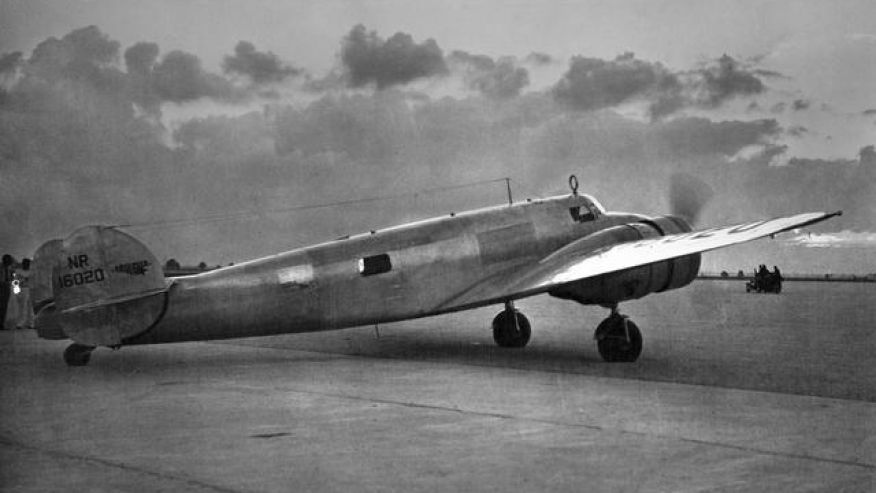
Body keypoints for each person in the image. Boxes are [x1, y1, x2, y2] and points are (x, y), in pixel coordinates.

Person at [0, 255, 13, 330]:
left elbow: (9, 278)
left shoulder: (8, 269)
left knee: (4, 306)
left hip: (6, 287)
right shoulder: (1, 268)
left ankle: (1, 323)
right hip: (1, 286)